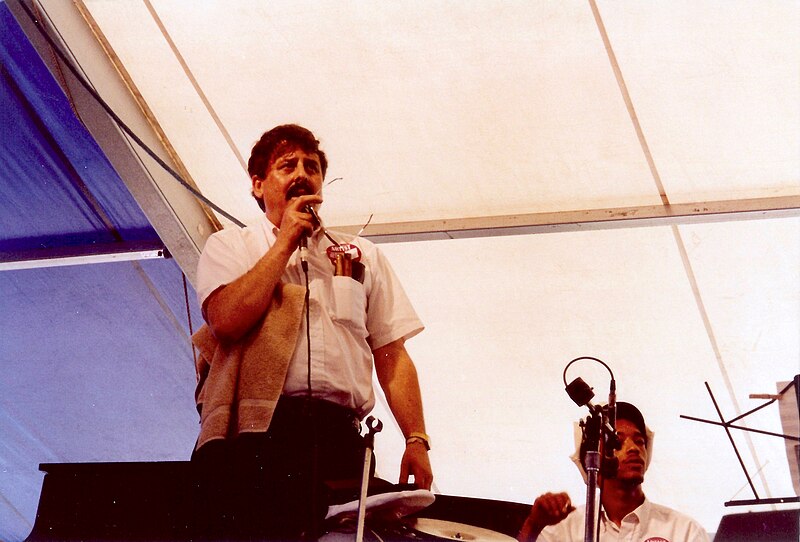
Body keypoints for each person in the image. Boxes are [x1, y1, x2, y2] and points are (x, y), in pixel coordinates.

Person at [190, 124, 433, 538]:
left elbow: (391, 353)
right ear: (258, 184)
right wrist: (284, 240)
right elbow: (227, 321)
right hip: (256, 435)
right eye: (287, 166)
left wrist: (416, 438)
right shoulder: (231, 246)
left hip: (340, 435)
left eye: (312, 166)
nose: (303, 173)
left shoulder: (362, 255)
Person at [517, 402, 709, 542]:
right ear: (591, 459)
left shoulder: (684, 531)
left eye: (639, 441)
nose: (633, 448)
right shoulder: (563, 530)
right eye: (617, 441)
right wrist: (533, 526)